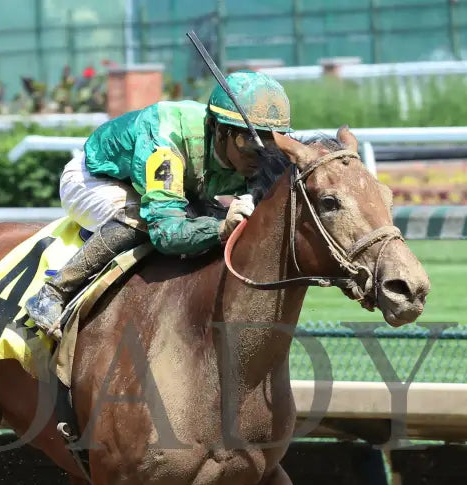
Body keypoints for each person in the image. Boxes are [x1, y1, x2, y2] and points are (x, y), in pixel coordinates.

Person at [24, 71, 293, 337]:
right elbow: (165, 232)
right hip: (93, 179)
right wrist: (221, 228)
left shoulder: (248, 153)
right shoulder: (166, 143)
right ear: (219, 129)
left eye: (272, 142)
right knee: (142, 218)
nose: (262, 156)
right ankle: (52, 293)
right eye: (249, 141)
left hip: (175, 184)